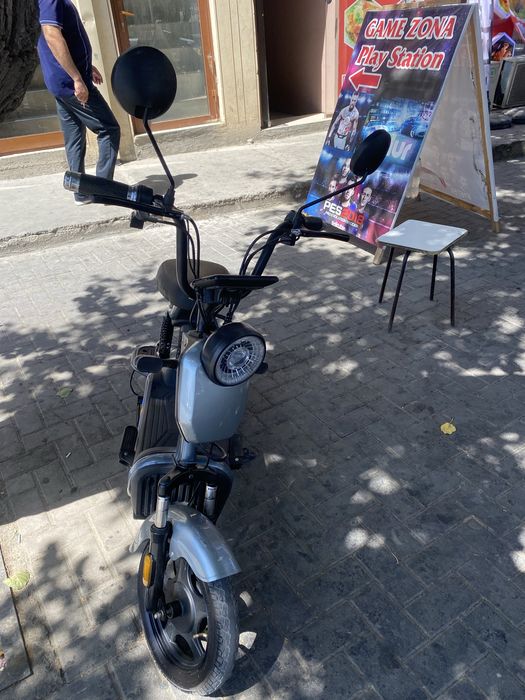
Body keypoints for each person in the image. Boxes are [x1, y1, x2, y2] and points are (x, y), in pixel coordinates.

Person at [38, 0, 120, 204]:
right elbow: (51, 35)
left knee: (74, 136)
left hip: (62, 83)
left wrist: (86, 66)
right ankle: (102, 190)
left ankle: (80, 192)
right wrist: (76, 78)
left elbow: (69, 38)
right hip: (70, 83)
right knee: (109, 129)